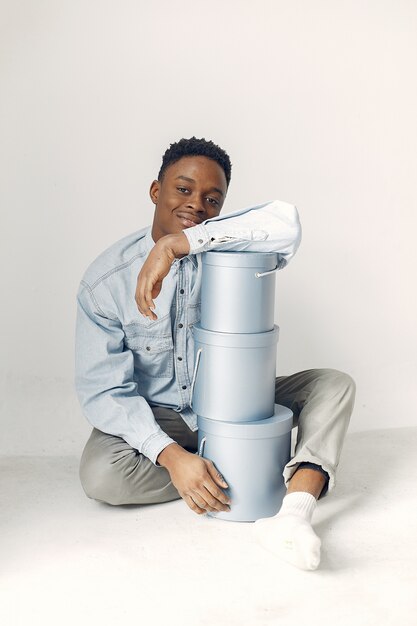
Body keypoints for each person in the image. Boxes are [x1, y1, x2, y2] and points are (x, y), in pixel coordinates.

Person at [75, 137, 355, 571]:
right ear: (156, 191)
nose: (196, 205)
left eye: (212, 198)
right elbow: (104, 390)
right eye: (183, 190)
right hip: (163, 413)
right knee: (101, 475)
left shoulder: (232, 247)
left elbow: (286, 224)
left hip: (241, 403)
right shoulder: (104, 281)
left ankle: (294, 513)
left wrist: (176, 245)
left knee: (334, 385)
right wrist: (170, 456)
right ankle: (236, 473)